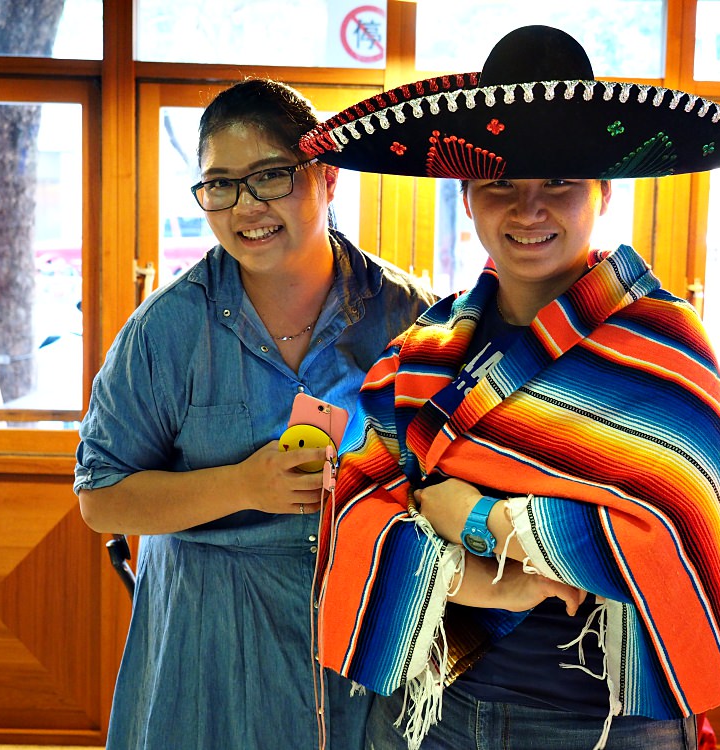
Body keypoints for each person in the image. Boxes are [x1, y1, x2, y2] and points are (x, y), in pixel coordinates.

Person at [301, 25, 720, 750]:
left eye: (559, 182)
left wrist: (471, 514)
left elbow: (673, 531)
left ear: (604, 193)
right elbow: (357, 512)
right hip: (446, 711)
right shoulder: (421, 354)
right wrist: (498, 577)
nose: (529, 210)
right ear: (467, 199)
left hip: (610, 723)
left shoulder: (667, 348)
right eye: (501, 186)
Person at [74, 77, 435, 750]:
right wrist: (243, 485)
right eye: (220, 185)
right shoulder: (167, 331)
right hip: (210, 656)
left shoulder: (411, 320)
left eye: (270, 176)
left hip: (368, 650)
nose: (246, 206)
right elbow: (102, 499)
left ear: (328, 178)